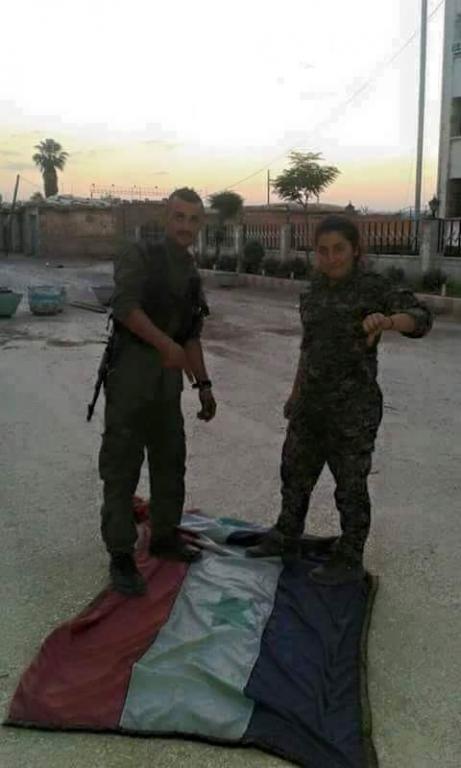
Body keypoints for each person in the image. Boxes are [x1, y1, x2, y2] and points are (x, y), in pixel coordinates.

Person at [247, 215, 432, 585]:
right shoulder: (313, 290)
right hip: (310, 405)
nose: (331, 258)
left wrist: (389, 321)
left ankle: (349, 556)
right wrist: (294, 394)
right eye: (323, 250)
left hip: (352, 411)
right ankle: (286, 535)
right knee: (294, 474)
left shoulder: (372, 286)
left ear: (355, 250)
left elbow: (421, 318)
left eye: (339, 250)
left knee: (349, 486)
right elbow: (309, 346)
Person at [99, 187, 216, 596]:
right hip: (131, 378)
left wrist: (203, 385)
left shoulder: (190, 271)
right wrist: (164, 345)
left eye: (193, 219)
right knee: (122, 467)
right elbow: (125, 307)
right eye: (179, 217)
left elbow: (191, 335)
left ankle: (164, 537)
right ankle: (121, 555)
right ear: (166, 218)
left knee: (170, 462)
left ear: (200, 225)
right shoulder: (140, 255)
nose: (185, 226)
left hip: (167, 386)